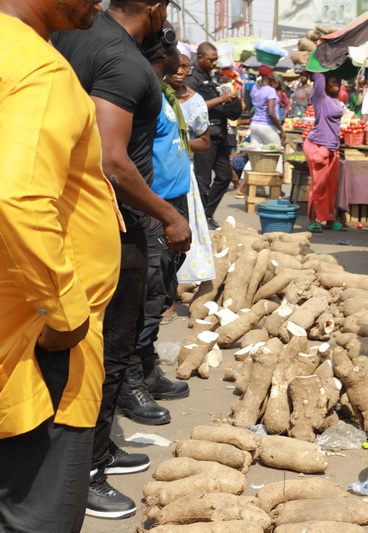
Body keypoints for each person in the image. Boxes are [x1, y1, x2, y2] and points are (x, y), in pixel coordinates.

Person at [52, 0, 191, 518]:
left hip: (71, 213)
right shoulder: (121, 59)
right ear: (154, 8)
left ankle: (96, 451)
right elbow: (113, 161)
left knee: (93, 347)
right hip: (111, 222)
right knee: (109, 351)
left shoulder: (73, 35)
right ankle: (84, 473)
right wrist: (169, 217)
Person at [0, 1, 121, 530]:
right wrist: (66, 316)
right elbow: (19, 196)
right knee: (34, 516)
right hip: (36, 342)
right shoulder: (39, 70)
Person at [130, 36, 192, 415]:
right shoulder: (143, 91)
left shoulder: (164, 92)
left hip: (172, 203)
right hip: (154, 206)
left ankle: (148, 368)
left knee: (164, 284)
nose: (181, 59)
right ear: (162, 54)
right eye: (175, 53)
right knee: (149, 292)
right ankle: (131, 380)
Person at [168, 43, 216, 287]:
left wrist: (177, 142)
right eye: (176, 64)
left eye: (185, 66)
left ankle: (173, 292)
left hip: (182, 175)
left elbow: (205, 143)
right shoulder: (154, 95)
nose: (180, 70)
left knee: (181, 229)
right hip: (155, 171)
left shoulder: (195, 102)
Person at [186, 41, 243, 230]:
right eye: (211, 60)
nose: (214, 63)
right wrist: (221, 99)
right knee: (203, 182)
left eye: (216, 60)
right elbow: (193, 106)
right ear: (200, 58)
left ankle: (206, 214)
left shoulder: (212, 78)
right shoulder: (191, 79)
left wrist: (231, 104)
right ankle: (199, 221)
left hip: (220, 135)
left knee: (225, 177)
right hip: (204, 136)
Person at [303, 71, 344, 233]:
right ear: (324, 85)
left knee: (331, 186)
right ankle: (313, 219)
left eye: (337, 83)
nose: (336, 85)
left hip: (332, 148)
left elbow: (341, 75)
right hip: (317, 146)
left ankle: (329, 219)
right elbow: (319, 75)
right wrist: (322, 57)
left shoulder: (334, 100)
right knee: (318, 185)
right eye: (332, 82)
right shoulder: (320, 97)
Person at [250, 65, 284, 146]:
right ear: (269, 75)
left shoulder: (254, 87)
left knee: (257, 155)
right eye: (273, 74)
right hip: (266, 126)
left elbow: (262, 90)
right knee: (276, 154)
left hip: (254, 125)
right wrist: (281, 130)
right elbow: (271, 113)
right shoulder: (270, 90)